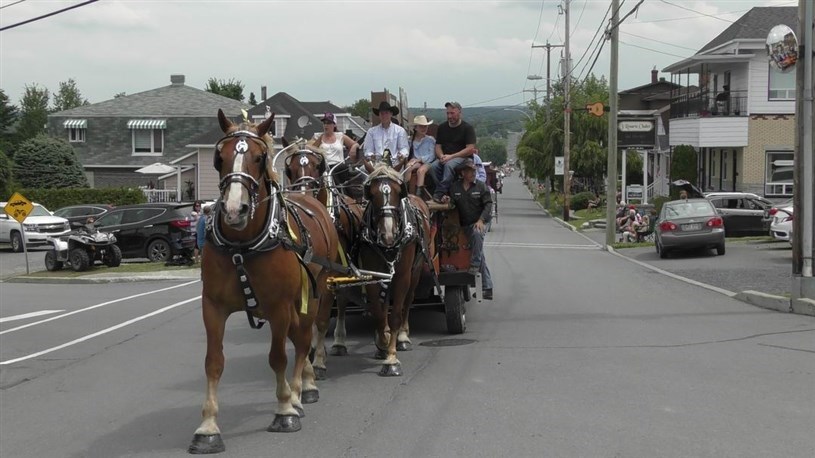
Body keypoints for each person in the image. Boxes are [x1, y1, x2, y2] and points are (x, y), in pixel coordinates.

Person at [441, 158, 494, 300]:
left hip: (481, 221)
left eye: (474, 171)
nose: (473, 173)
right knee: (479, 250)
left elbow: (489, 205)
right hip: (465, 224)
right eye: (470, 171)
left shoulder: (481, 187)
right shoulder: (455, 188)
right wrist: (447, 200)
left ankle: (474, 265)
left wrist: (481, 220)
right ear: (463, 173)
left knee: (477, 235)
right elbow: (452, 203)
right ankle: (487, 288)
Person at [431, 101, 477, 203]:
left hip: (463, 158)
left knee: (449, 165)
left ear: (459, 113)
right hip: (446, 157)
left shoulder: (467, 128)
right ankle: (447, 190)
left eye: (452, 113)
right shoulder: (442, 127)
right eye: (448, 113)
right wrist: (441, 156)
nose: (449, 116)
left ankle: (440, 193)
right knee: (433, 167)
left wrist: (451, 157)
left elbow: (470, 148)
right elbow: (438, 146)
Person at [362, 101, 409, 171]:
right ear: (379, 115)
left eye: (386, 113)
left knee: (403, 176)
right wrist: (371, 155)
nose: (384, 116)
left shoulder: (400, 131)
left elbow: (404, 148)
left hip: (395, 165)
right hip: (377, 165)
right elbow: (368, 149)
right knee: (362, 171)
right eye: (382, 113)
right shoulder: (371, 132)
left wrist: (402, 155)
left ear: (391, 114)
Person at [402, 114, 436, 198]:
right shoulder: (410, 140)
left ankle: (418, 194)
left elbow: (432, 155)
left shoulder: (430, 140)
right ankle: (405, 190)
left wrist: (420, 159)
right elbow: (406, 152)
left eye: (425, 126)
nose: (424, 128)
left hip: (428, 162)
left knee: (421, 171)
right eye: (421, 126)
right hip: (416, 161)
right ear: (415, 128)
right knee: (408, 167)